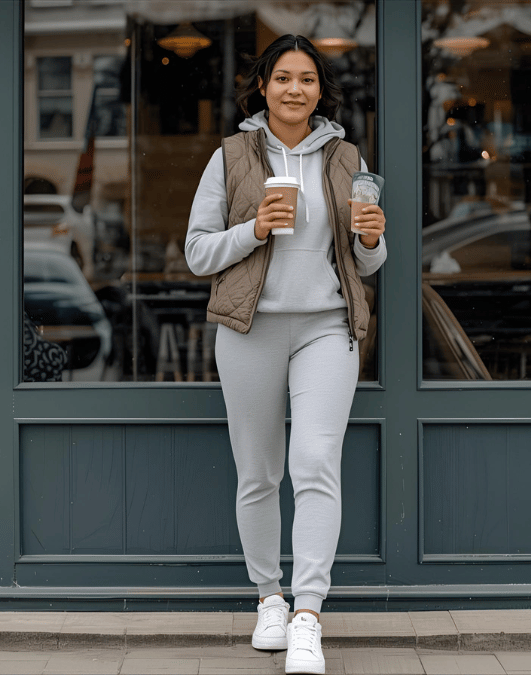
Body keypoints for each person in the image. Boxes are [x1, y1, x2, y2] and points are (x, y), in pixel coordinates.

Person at [184, 35, 386, 675]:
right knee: (258, 471)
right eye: (283, 78)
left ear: (320, 90)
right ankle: (268, 596)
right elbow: (196, 253)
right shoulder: (230, 156)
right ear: (264, 86)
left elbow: (366, 262)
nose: (295, 89)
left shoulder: (346, 155)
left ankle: (308, 614)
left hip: (327, 326)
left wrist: (373, 240)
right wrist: (256, 229)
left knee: (317, 459)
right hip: (249, 329)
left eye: (307, 79)